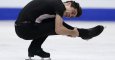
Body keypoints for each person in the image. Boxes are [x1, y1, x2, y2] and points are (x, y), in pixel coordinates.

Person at [15, 0, 104, 59]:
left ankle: (35, 49)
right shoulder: (60, 6)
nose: (71, 15)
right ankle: (84, 33)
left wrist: (69, 32)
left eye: (73, 16)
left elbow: (59, 27)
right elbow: (58, 29)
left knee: (51, 23)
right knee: (54, 25)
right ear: (69, 3)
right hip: (25, 29)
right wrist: (72, 32)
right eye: (73, 12)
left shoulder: (54, 5)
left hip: (23, 28)